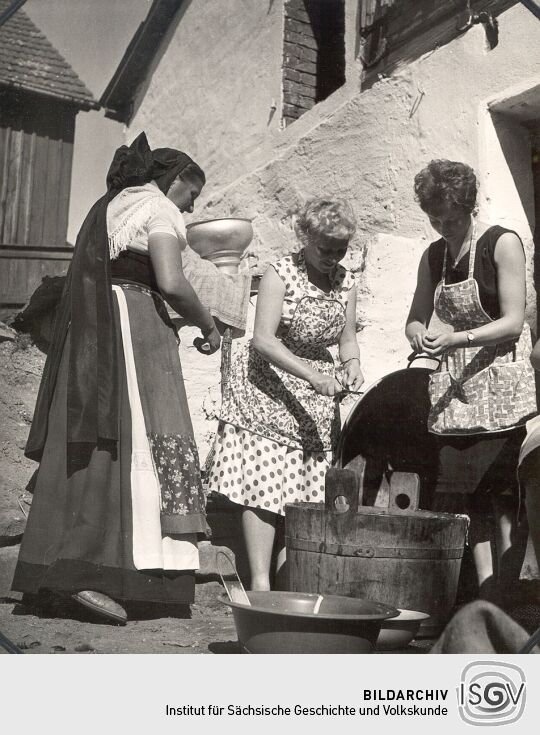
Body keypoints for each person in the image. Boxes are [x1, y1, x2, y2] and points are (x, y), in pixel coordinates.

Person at [11, 132, 249, 624]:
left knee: (101, 441)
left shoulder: (110, 205)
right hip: (131, 327)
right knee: (139, 437)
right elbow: (169, 278)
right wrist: (208, 325)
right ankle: (95, 572)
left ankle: (63, 568)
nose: (189, 205)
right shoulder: (160, 208)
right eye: (191, 194)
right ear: (175, 179)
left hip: (90, 327)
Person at [207, 198, 363, 590]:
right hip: (269, 392)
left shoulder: (345, 282)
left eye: (340, 250)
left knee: (301, 492)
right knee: (264, 487)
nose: (333, 258)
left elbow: (347, 339)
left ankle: (288, 587)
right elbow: (263, 340)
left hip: (314, 400)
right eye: (325, 249)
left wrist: (352, 363)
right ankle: (260, 586)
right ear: (305, 237)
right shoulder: (281, 273)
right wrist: (311, 374)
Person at [406, 159, 537, 602]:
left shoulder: (502, 244)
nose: (443, 226)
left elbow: (514, 322)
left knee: (501, 499)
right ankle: (485, 593)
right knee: (467, 501)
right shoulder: (434, 256)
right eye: (434, 218)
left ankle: (508, 592)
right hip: (458, 393)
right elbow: (415, 317)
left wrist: (458, 336)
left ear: (469, 206)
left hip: (502, 392)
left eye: (451, 218)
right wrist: (419, 334)